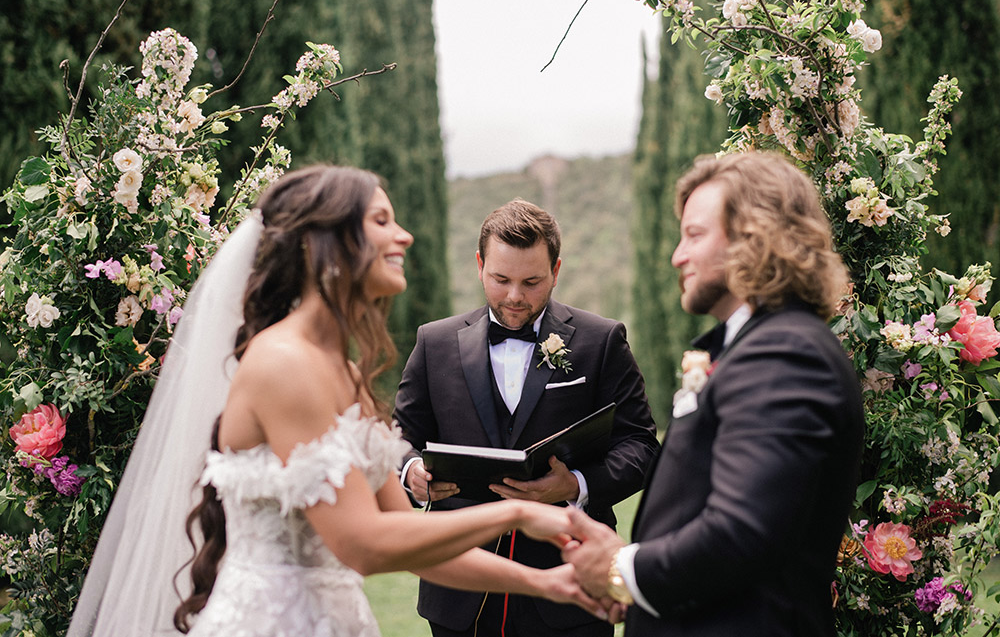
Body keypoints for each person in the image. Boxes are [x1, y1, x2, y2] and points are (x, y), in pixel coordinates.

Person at [67, 166, 606, 637]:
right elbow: (365, 545)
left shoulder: (343, 371)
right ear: (325, 242)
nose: (405, 235)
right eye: (380, 221)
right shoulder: (283, 363)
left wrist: (543, 582)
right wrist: (516, 512)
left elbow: (411, 537)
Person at [562, 151, 865, 636]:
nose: (676, 256)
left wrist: (623, 569)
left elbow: (743, 532)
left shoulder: (785, 353)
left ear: (754, 236)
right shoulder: (757, 347)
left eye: (694, 235)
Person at [394, 199, 659, 637]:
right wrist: (410, 472)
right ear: (479, 265)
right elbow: (398, 437)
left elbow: (642, 447)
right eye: (500, 279)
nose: (515, 296)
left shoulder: (602, 340)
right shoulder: (434, 342)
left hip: (572, 591)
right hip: (459, 590)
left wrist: (575, 484)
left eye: (532, 282)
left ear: (556, 271)